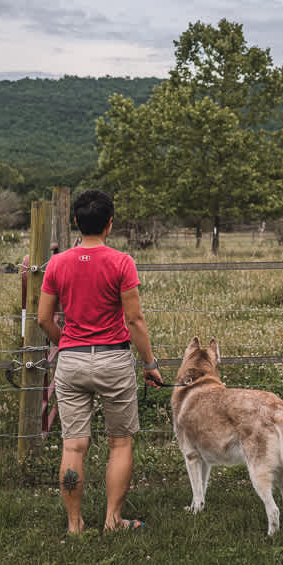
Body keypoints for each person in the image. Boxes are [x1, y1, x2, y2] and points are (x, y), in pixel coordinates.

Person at [38, 189, 164, 534]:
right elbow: (135, 321)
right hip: (113, 361)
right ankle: (112, 520)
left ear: (76, 222)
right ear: (110, 223)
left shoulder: (58, 264)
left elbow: (43, 318)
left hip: (72, 362)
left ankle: (75, 525)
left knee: (73, 445)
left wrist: (65, 343)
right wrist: (150, 364)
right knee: (120, 442)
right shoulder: (122, 262)